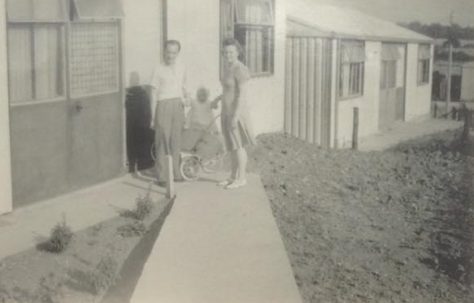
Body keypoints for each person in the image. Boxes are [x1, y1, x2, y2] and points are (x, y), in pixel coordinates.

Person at [212, 38, 255, 189]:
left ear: (237, 52)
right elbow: (228, 90)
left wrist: (235, 116)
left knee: (238, 146)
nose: (228, 55)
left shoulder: (240, 69)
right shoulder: (227, 67)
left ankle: (241, 178)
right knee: (231, 146)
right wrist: (216, 100)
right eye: (225, 52)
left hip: (236, 113)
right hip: (226, 111)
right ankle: (232, 176)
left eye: (231, 52)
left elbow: (242, 94)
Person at [150, 40, 189, 184]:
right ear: (164, 52)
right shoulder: (158, 69)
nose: (170, 55)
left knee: (176, 140)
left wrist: (186, 102)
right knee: (162, 141)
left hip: (178, 105)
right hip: (163, 105)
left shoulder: (182, 67)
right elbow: (153, 94)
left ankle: (176, 174)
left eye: (174, 52)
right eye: (168, 52)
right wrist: (153, 116)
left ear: (178, 53)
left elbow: (184, 87)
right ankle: (162, 177)